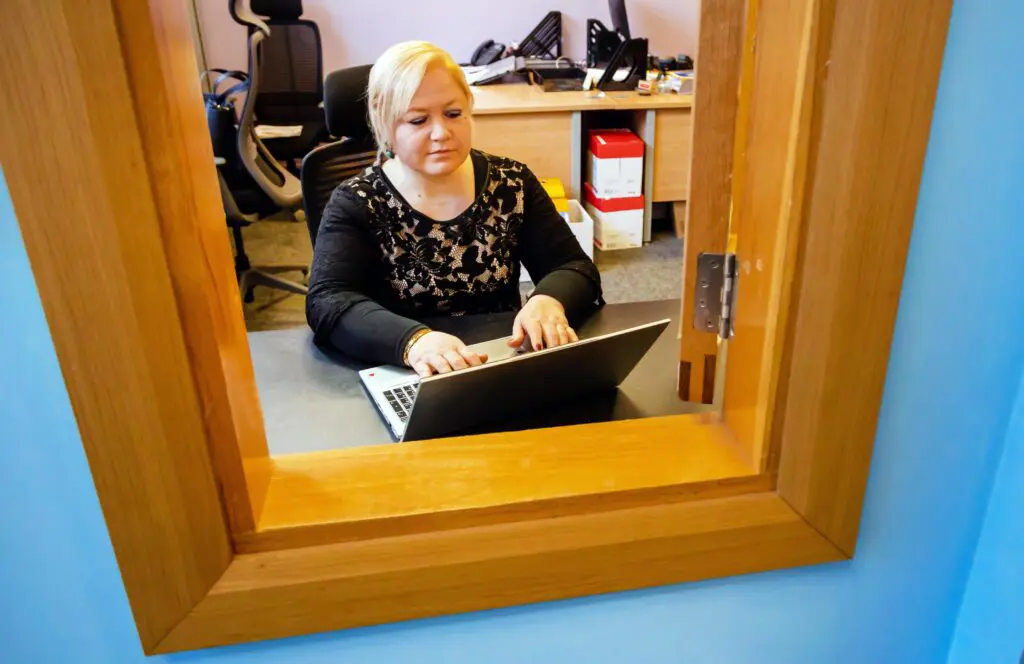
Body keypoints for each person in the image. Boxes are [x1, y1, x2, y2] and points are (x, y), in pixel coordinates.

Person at [306, 41, 602, 378]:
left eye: (453, 113)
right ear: (386, 124)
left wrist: (548, 299)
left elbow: (574, 265)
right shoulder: (357, 201)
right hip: (410, 371)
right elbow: (328, 302)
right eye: (418, 120)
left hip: (500, 363)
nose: (441, 133)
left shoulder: (511, 182)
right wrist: (412, 341)